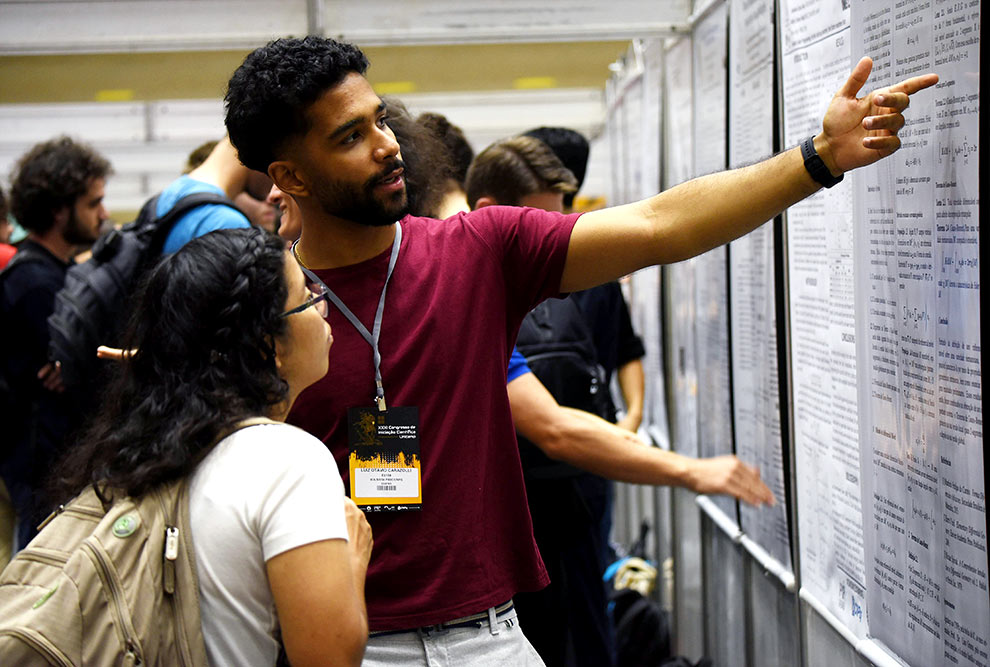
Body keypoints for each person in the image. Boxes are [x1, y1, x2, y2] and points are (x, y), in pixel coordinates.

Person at [223, 35, 936, 665]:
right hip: (348, 645)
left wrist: (818, 158)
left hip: (491, 639)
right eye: (351, 136)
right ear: (290, 176)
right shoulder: (255, 304)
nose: (386, 144)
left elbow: (660, 226)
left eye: (380, 119)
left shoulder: (479, 250)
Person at [51, 227, 372, 666]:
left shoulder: (143, 448)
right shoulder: (290, 462)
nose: (323, 308)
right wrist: (353, 560)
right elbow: (328, 658)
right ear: (269, 346)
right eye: (308, 296)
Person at [0, 136, 111, 552]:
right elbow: (63, 377)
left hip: (54, 462)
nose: (102, 214)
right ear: (58, 210)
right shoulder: (34, 283)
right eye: (92, 203)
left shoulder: (55, 274)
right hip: (40, 467)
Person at [159, 136, 272, 253]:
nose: (277, 184)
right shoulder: (226, 223)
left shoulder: (171, 193)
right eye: (276, 166)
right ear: (255, 150)